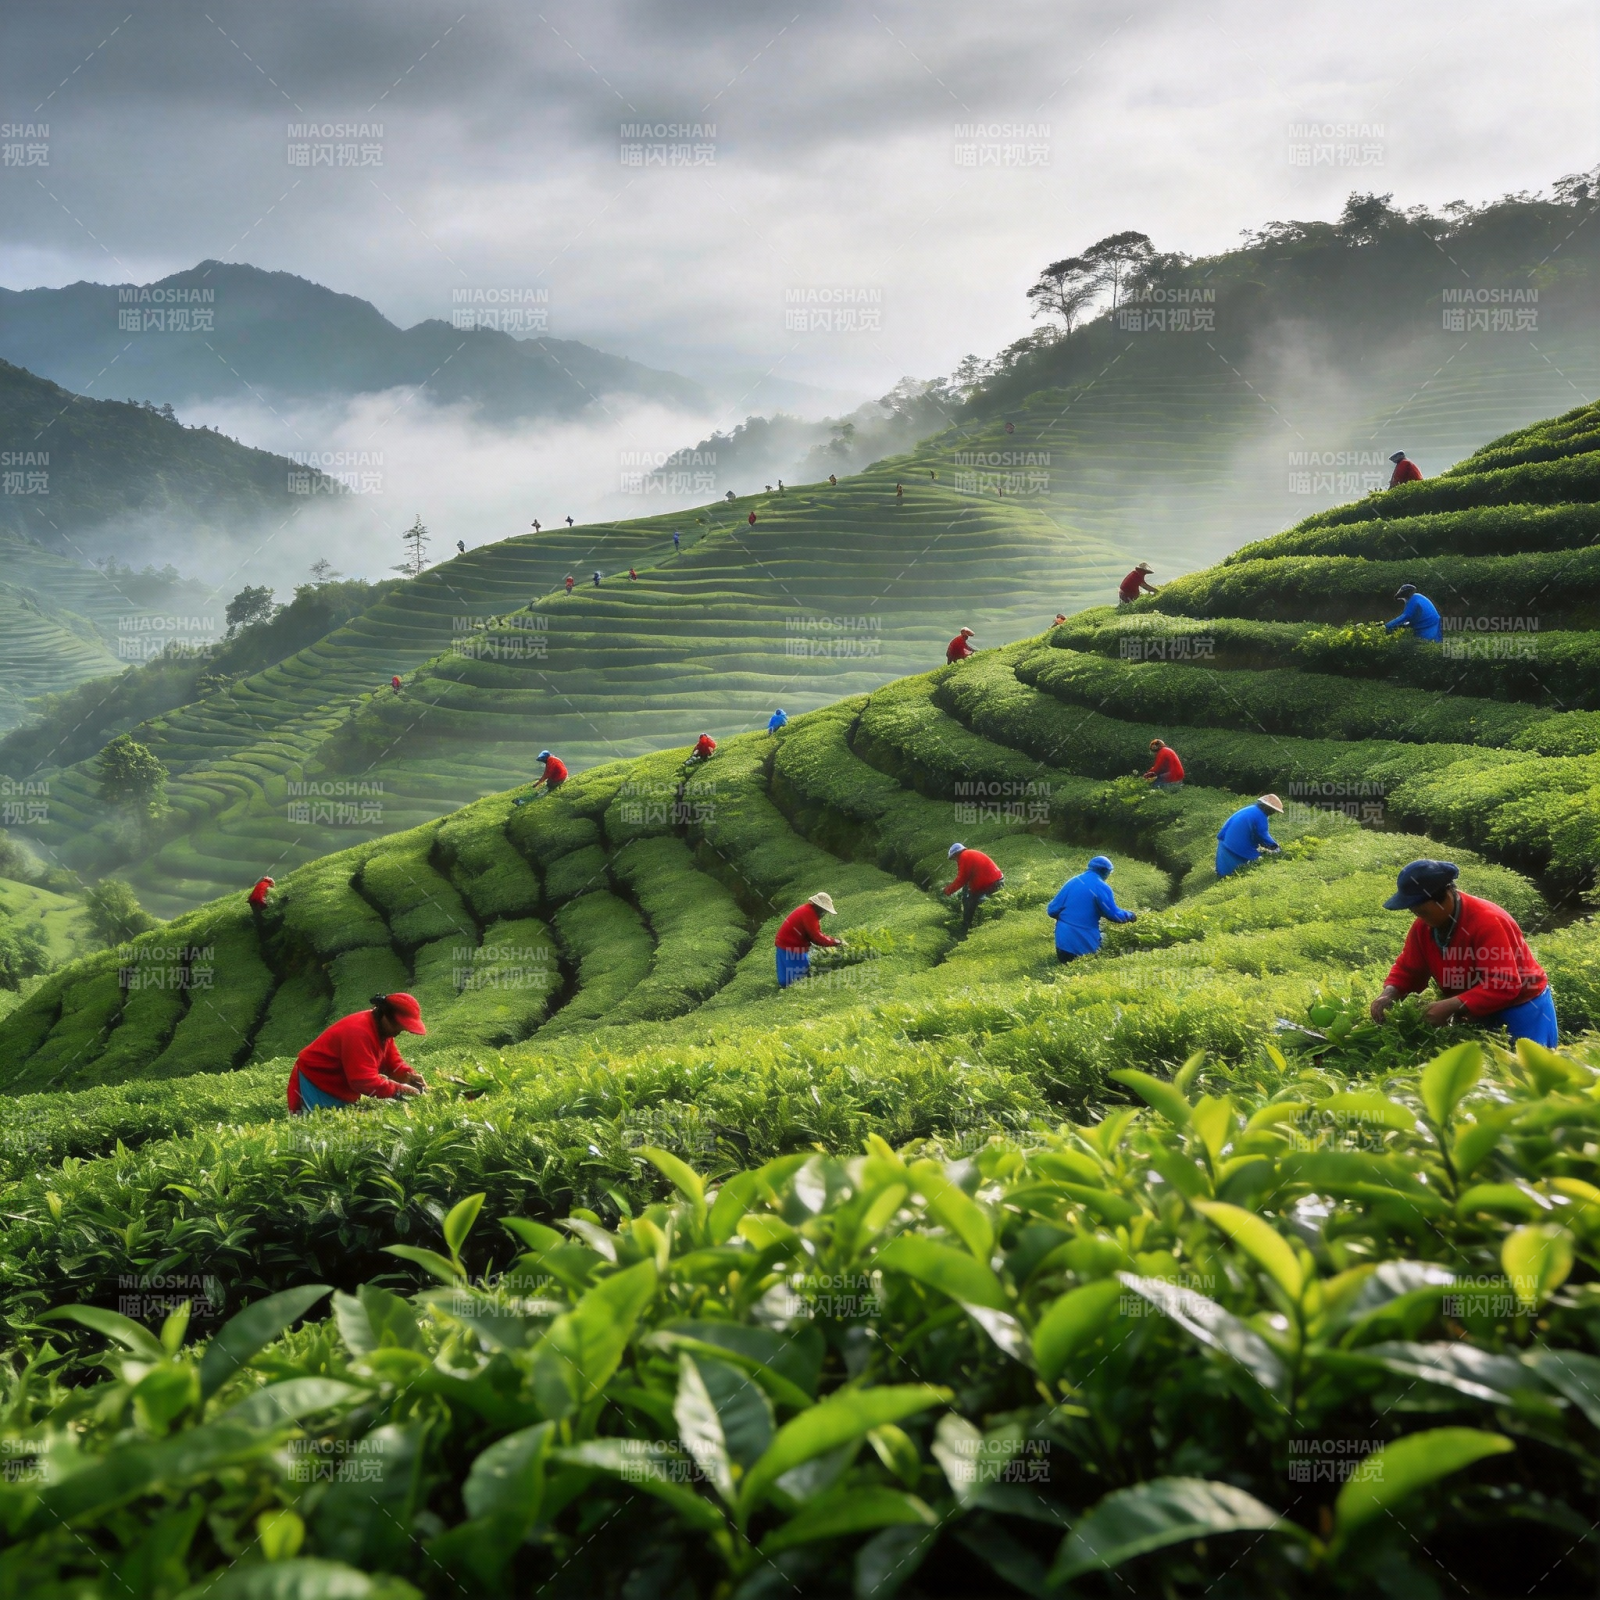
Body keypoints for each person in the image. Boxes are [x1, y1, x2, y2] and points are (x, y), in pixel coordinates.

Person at [1370, 860, 1557, 1046]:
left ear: (1444, 898)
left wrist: (1451, 1005)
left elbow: (1504, 983)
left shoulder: (1488, 922)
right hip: (1474, 1007)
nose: (1420, 918)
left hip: (1522, 1009)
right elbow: (1409, 970)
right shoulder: (1424, 927)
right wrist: (1390, 992)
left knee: (1527, 1070)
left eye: (1423, 911)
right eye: (1415, 913)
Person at [287, 993, 428, 1113]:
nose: (399, 1032)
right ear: (385, 1016)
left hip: (341, 1089)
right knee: (316, 1135)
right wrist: (399, 1090)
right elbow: (362, 1081)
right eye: (398, 1026)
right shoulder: (359, 1032)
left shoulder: (384, 1032)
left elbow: (393, 1063)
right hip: (315, 1084)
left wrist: (408, 1076)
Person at [1047, 855, 1137, 962]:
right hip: (1083, 949)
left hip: (1062, 946)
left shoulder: (1072, 881)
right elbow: (1115, 915)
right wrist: (1130, 915)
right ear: (1106, 872)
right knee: (1106, 938)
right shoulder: (1101, 887)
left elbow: (1052, 910)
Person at [775, 891, 842, 987]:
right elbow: (816, 937)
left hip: (783, 944)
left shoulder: (805, 909)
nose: (824, 914)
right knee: (801, 980)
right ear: (819, 907)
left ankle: (784, 993)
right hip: (792, 947)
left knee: (785, 980)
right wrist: (836, 942)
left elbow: (813, 936)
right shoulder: (809, 914)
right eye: (824, 911)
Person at [1216, 794, 1283, 877]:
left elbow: (1230, 822)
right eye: (1273, 810)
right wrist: (1274, 846)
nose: (1273, 813)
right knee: (1255, 861)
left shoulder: (1250, 809)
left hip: (1225, 840)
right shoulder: (1260, 816)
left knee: (1224, 870)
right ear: (1267, 808)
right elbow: (1262, 834)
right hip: (1236, 845)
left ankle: (1222, 877)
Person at [944, 842, 1004, 930]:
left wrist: (948, 890)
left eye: (954, 858)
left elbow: (962, 879)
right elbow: (969, 877)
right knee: (969, 895)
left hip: (991, 884)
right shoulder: (970, 853)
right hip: (997, 880)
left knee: (971, 903)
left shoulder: (964, 856)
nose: (955, 860)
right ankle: (976, 923)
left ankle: (966, 927)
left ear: (956, 854)